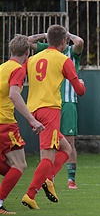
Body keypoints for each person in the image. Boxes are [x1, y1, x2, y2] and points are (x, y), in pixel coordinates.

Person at [21, 24, 86, 210]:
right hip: (50, 109)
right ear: (64, 41)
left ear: (47, 40)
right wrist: (81, 84)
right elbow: (79, 90)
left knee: (65, 148)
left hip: (32, 110)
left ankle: (48, 178)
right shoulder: (63, 59)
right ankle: (30, 194)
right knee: (48, 156)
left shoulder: (33, 59)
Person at [0, 34, 45, 214]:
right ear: (27, 52)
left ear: (11, 50)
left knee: (12, 168)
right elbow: (13, 94)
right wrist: (32, 119)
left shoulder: (2, 67)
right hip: (5, 122)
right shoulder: (17, 69)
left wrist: (40, 36)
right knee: (20, 166)